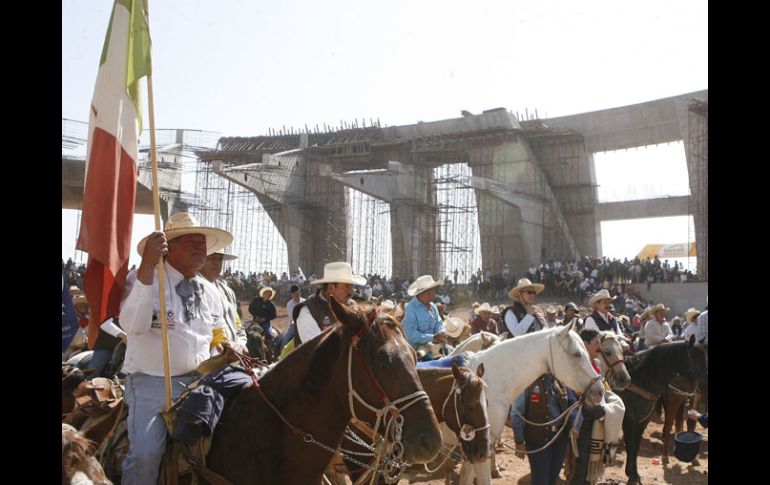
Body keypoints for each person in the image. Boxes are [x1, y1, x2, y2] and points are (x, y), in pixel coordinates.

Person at [119, 212, 233, 485]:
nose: (200, 247)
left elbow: (217, 334)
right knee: (147, 454)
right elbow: (131, 324)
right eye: (190, 241)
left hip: (200, 382)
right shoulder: (144, 277)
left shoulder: (209, 291)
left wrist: (226, 348)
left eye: (202, 242)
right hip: (151, 382)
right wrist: (147, 265)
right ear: (169, 248)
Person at [511, 373, 582, 485]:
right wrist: (519, 440)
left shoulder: (562, 382)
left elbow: (574, 407)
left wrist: (575, 426)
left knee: (552, 479)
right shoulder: (527, 381)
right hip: (537, 439)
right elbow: (517, 413)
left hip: (560, 439)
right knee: (540, 480)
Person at [289, 262, 365, 352]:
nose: (351, 291)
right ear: (331, 287)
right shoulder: (308, 311)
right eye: (347, 286)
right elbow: (319, 351)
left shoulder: (353, 307)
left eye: (352, 286)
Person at [200, 249, 248, 353]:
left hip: (233, 356)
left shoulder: (227, 291)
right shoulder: (191, 288)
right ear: (200, 259)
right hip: (206, 359)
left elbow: (238, 324)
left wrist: (240, 344)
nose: (217, 263)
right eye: (212, 258)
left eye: (220, 259)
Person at [402, 275, 446, 359]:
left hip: (435, 348)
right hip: (417, 352)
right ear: (425, 292)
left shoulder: (433, 307)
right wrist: (432, 337)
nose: (434, 293)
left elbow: (438, 323)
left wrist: (440, 333)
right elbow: (410, 334)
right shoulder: (411, 308)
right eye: (433, 290)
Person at [279, 284, 305, 351]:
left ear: (300, 293)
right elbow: (293, 316)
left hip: (305, 324)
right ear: (292, 294)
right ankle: (282, 356)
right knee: (285, 340)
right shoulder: (289, 304)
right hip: (294, 325)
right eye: (295, 294)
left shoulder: (305, 301)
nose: (297, 295)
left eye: (298, 293)